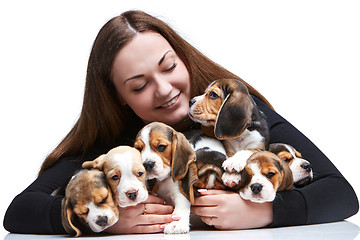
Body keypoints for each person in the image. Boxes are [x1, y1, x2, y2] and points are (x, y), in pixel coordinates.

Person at [3, 10, 358, 234]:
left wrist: (266, 213)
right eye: (139, 86)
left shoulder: (235, 110)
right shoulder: (115, 147)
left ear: (184, 59)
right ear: (118, 99)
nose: (164, 90)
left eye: (169, 66)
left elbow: (342, 194)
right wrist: (109, 220)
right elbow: (19, 211)